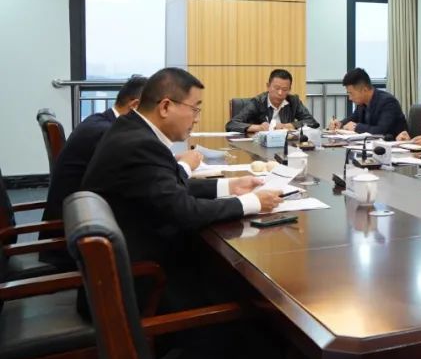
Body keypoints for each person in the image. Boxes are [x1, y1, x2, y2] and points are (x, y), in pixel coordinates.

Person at [81, 68, 281, 308]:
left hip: (128, 264)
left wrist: (229, 185)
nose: (197, 119)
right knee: (252, 294)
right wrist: (253, 202)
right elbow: (185, 211)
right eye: (195, 109)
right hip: (146, 282)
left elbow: (167, 187)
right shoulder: (141, 144)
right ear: (165, 107)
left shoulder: (130, 129)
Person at [43, 75, 148, 221]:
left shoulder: (99, 121)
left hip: (77, 212)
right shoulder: (106, 133)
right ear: (134, 106)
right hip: (76, 224)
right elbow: (135, 181)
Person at [225, 68, 320, 134]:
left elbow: (312, 122)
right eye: (277, 88)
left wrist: (290, 125)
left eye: (285, 89)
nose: (280, 93)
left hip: (287, 146)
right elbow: (231, 124)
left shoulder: (293, 101)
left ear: (289, 89)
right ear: (268, 86)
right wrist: (258, 127)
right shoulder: (258, 102)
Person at [330, 67, 408, 138]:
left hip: (393, 146)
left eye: (351, 93)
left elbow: (382, 131)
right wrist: (340, 123)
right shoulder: (362, 103)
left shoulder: (388, 102)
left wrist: (356, 127)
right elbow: (353, 118)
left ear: (364, 90)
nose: (350, 98)